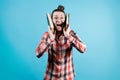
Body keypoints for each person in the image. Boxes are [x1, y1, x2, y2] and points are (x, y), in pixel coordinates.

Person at [36, 5, 86, 80]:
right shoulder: (47, 35)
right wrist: (50, 39)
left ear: (65, 20)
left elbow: (83, 49)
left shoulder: (71, 34)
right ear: (51, 20)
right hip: (51, 76)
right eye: (55, 18)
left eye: (62, 18)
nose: (58, 20)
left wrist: (69, 37)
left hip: (68, 76)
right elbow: (38, 53)